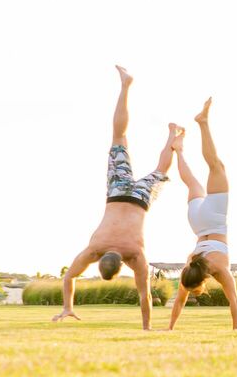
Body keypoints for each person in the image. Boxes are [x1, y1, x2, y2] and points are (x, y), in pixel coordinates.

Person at [53, 66, 180, 330]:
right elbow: (68, 278)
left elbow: (145, 295)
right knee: (119, 137)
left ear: (121, 265)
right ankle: (126, 86)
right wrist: (67, 306)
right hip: (117, 192)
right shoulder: (95, 248)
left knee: (161, 170)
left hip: (140, 200)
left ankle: (173, 136)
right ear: (100, 262)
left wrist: (68, 308)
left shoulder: (134, 255)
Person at [168, 98, 237, 330]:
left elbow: (234, 301)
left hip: (214, 221)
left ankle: (203, 122)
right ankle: (178, 150)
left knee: (216, 166)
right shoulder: (190, 266)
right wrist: (169, 327)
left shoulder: (219, 270)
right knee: (192, 183)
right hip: (197, 223)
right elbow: (180, 300)